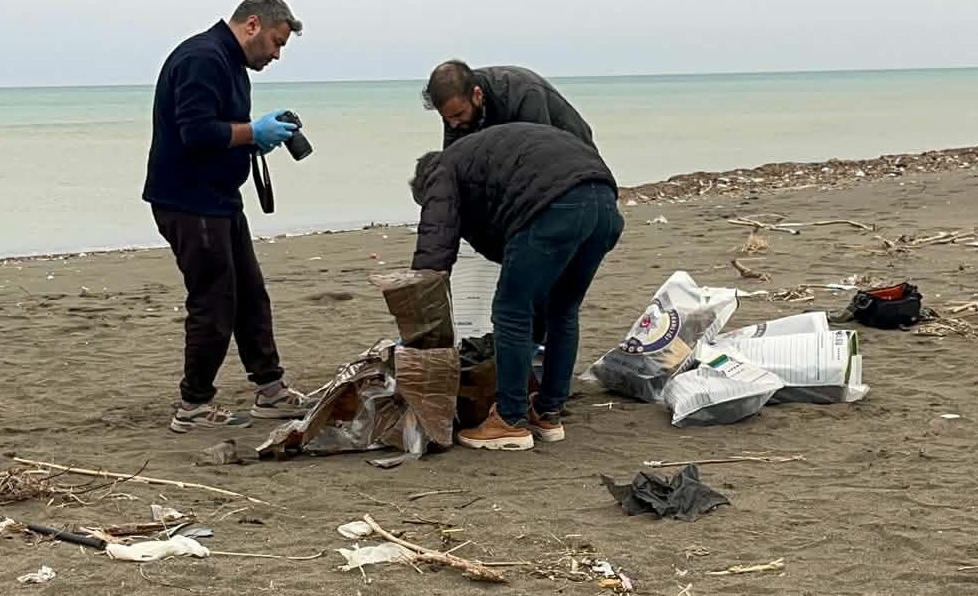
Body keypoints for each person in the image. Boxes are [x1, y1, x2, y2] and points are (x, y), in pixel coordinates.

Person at [142, 0, 314, 433]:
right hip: (188, 200)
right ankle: (194, 406)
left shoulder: (230, 62)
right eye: (276, 43)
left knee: (250, 294)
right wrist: (253, 131)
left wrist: (254, 140)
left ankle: (270, 390)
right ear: (253, 25)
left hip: (218, 198)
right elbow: (196, 133)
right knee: (214, 301)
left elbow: (219, 131)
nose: (276, 55)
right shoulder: (203, 58)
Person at [409, 122, 625, 451]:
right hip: (603, 203)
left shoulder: (441, 169)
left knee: (511, 311)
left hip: (555, 205)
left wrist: (420, 297)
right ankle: (548, 412)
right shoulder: (475, 158)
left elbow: (436, 239)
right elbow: (501, 233)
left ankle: (509, 420)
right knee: (562, 309)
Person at [421, 61, 596, 150]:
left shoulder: (522, 95)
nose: (453, 124)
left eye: (458, 115)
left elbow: (539, 159)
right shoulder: (455, 109)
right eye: (447, 118)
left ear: (477, 95)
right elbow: (453, 163)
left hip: (574, 154)